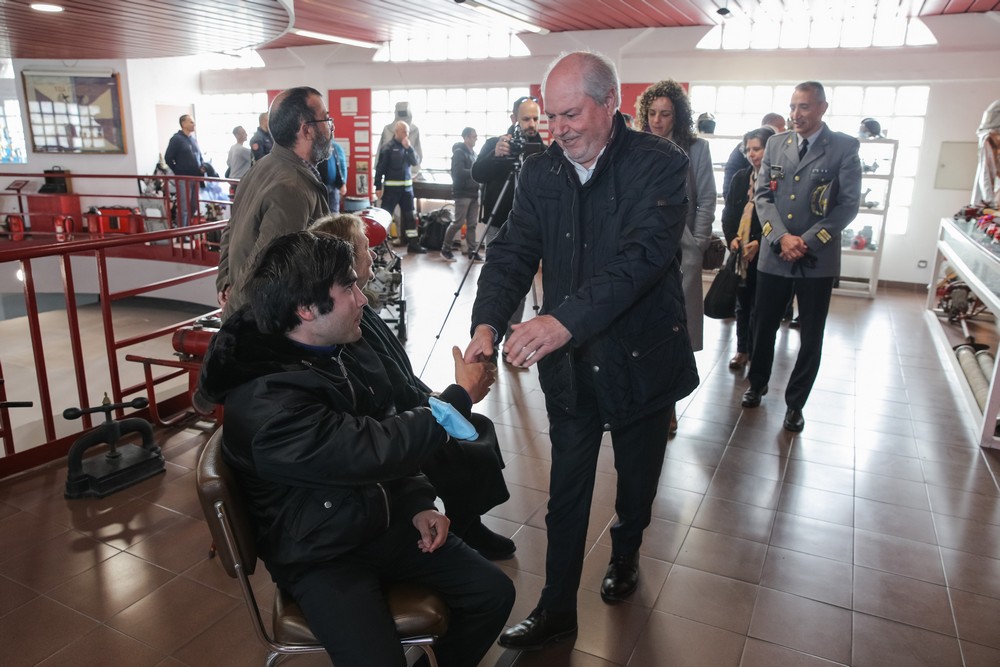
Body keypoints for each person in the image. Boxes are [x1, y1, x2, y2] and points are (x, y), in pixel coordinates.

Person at [464, 51, 698, 652]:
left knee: (637, 478)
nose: (560, 128)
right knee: (566, 490)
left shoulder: (660, 164)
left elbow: (643, 259)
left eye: (571, 114)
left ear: (610, 103)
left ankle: (626, 551)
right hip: (571, 368)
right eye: (551, 116)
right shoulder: (542, 172)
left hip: (642, 358)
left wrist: (561, 319)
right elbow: (514, 250)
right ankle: (555, 605)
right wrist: (489, 320)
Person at [199, 231, 515, 666]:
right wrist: (458, 398)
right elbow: (372, 449)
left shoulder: (329, 350)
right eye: (348, 287)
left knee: (492, 593)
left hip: (375, 519)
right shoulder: (267, 402)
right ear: (307, 309)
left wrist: (417, 502)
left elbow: (380, 426)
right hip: (320, 552)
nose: (362, 298)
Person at [309, 212, 516, 560]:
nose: (373, 254)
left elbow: (399, 376)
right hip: (391, 428)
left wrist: (434, 398)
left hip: (405, 412)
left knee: (479, 426)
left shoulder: (362, 307)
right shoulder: (340, 323)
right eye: (364, 248)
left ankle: (468, 519)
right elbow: (386, 393)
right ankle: (460, 530)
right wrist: (446, 400)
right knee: (465, 444)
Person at [740, 81, 862, 433]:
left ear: (823, 108)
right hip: (776, 255)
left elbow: (847, 205)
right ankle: (757, 385)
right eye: (793, 107)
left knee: (810, 336)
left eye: (804, 107)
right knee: (762, 327)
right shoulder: (777, 145)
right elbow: (763, 197)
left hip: (815, 258)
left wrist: (805, 241)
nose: (796, 114)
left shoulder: (842, 147)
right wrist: (781, 238)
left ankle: (796, 404)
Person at [215, 86, 332, 313]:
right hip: (263, 321)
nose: (330, 127)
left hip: (245, 307)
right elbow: (267, 264)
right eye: (326, 119)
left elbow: (230, 231)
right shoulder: (292, 188)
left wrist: (225, 283)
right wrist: (233, 316)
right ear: (306, 131)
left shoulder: (261, 167)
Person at [636, 81, 716, 356]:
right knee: (645, 319)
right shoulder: (637, 148)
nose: (657, 120)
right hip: (644, 240)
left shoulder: (697, 148)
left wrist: (700, 242)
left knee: (680, 321)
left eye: (665, 114)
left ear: (678, 115)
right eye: (652, 113)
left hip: (684, 240)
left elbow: (706, 198)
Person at [470, 95, 545, 358]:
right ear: (514, 119)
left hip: (529, 227)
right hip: (497, 222)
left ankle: (512, 339)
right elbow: (477, 173)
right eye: (526, 118)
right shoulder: (496, 143)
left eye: (536, 118)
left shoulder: (541, 148)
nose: (532, 124)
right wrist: (496, 155)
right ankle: (490, 331)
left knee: (521, 281)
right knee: (497, 276)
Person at [721, 126, 776, 370]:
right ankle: (742, 350)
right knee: (742, 305)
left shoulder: (777, 180)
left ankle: (757, 354)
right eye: (749, 149)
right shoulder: (740, 178)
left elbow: (782, 219)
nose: (753, 154)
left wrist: (761, 242)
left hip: (767, 252)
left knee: (762, 308)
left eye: (758, 149)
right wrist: (732, 236)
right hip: (741, 252)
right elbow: (729, 213)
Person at [375, 120, 424, 255]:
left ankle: (413, 244)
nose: (406, 134)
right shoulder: (388, 148)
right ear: (396, 132)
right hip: (391, 191)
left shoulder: (408, 147)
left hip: (407, 191)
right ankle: (382, 245)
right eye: (404, 131)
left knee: (410, 217)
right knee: (385, 217)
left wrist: (410, 148)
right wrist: (378, 186)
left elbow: (416, 162)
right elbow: (380, 169)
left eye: (408, 132)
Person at [723, 112, 787, 199]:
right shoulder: (740, 175)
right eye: (748, 150)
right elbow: (731, 172)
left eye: (756, 149)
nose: (751, 154)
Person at [164, 114, 209, 227]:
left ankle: (187, 229)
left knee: (193, 206)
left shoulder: (193, 140)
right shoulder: (176, 139)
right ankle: (182, 234)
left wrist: (202, 166)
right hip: (184, 179)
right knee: (184, 207)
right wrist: (178, 171)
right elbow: (168, 157)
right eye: (191, 122)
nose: (193, 124)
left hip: (196, 178)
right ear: (183, 124)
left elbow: (199, 156)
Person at [442, 127, 480, 261]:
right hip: (463, 194)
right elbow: (457, 172)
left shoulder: (474, 154)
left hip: (474, 193)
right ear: (467, 137)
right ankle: (445, 249)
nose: (476, 139)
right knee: (457, 223)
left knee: (472, 225)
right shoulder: (459, 153)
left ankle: (472, 251)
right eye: (474, 136)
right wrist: (474, 172)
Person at [377, 101, 424, 178]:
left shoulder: (414, 130)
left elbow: (417, 155)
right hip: (390, 174)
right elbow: (380, 154)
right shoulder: (387, 129)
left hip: (408, 173)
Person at [318, 140, 348, 213]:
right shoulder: (315, 146)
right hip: (318, 187)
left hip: (333, 187)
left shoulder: (336, 147)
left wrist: (343, 183)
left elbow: (342, 166)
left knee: (333, 215)